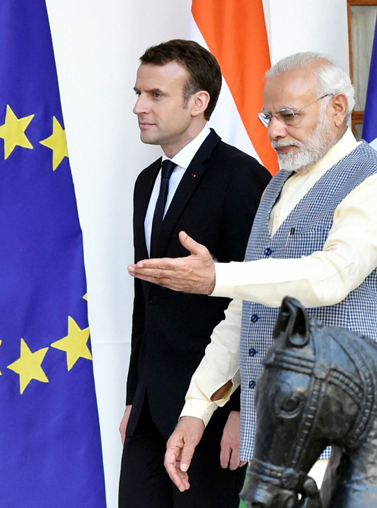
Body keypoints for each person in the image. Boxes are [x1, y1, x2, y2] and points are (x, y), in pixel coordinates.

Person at [128, 52, 377, 492]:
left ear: (338, 108)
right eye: (269, 117)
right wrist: (197, 409)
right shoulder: (278, 186)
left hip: (360, 444)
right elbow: (247, 312)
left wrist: (215, 278)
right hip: (282, 442)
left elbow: (330, 277)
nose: (274, 131)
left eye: (289, 115)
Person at [119, 39, 271, 508]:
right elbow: (147, 299)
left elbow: (263, 297)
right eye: (139, 93)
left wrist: (246, 409)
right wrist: (133, 395)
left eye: (156, 95)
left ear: (198, 102)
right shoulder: (147, 182)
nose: (139, 106)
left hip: (212, 410)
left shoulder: (243, 178)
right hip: (149, 407)